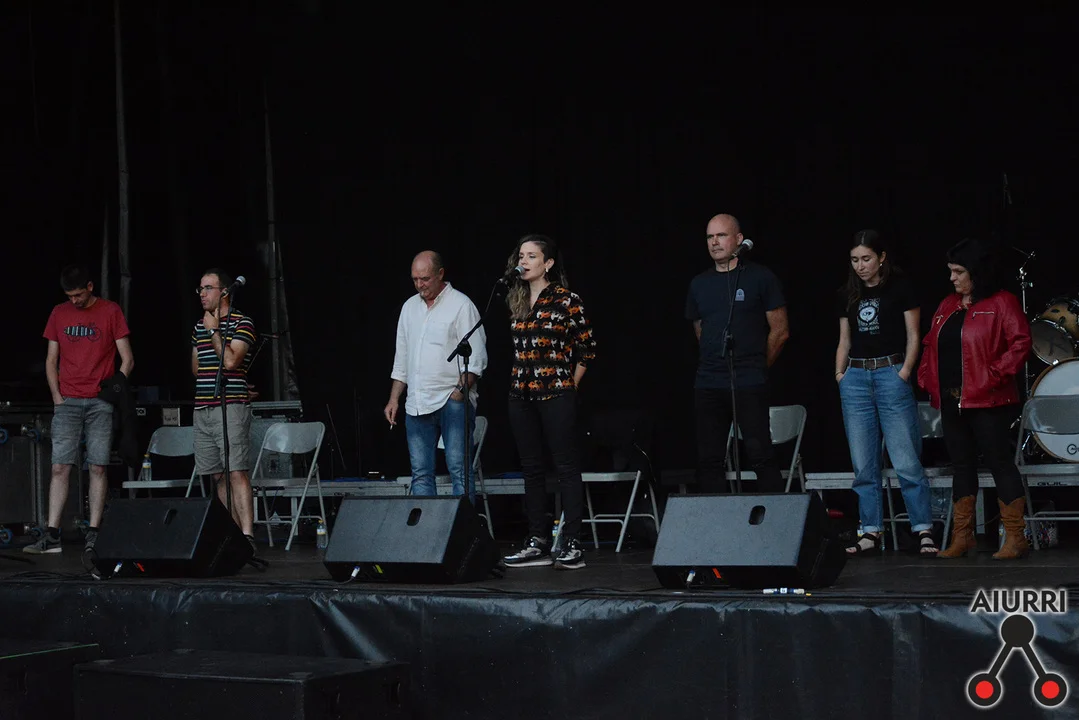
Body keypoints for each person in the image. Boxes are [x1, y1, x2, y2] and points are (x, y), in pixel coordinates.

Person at [918, 239, 1032, 560]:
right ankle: (963, 537)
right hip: (953, 400)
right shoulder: (947, 304)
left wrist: (994, 375)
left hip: (989, 400)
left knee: (999, 463)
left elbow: (1021, 343)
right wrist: (926, 377)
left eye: (958, 271)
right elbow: (930, 344)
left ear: (977, 272)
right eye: (950, 271)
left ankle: (1015, 537)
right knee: (961, 467)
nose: (952, 278)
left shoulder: (1002, 302)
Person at [835, 231, 937, 556]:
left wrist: (904, 371)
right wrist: (840, 375)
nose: (860, 266)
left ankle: (923, 528)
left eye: (866, 258)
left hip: (890, 371)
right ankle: (870, 530)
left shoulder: (900, 287)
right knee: (863, 462)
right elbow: (844, 339)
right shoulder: (848, 293)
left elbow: (913, 334)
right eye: (855, 260)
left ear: (881, 258)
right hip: (855, 376)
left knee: (905, 458)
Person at [25, 265, 134, 554]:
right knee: (60, 466)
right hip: (68, 401)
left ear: (90, 286)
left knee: (97, 466)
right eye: (69, 296)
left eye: (78, 295)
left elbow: (127, 359)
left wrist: (114, 390)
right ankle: (52, 535)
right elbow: (51, 359)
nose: (74, 300)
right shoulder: (59, 313)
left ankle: (94, 533)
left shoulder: (110, 311)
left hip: (99, 401)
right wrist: (56, 397)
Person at [502, 235, 596, 570]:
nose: (524, 262)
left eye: (532, 256)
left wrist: (571, 384)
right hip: (521, 394)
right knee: (531, 469)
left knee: (566, 466)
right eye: (521, 256)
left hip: (556, 392)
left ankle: (572, 543)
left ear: (548, 263)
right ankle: (537, 541)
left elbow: (587, 349)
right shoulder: (516, 299)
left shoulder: (566, 300)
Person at [686, 214, 789, 493]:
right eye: (710, 237)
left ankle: (772, 517)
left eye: (721, 235)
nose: (714, 242)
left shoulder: (760, 277)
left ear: (739, 239)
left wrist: (759, 366)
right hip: (709, 381)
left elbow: (780, 331)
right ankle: (718, 520)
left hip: (749, 379)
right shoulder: (699, 283)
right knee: (709, 459)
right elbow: (701, 330)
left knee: (760, 454)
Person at [384, 251, 488, 502]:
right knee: (420, 473)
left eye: (425, 279)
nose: (420, 285)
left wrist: (458, 394)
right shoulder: (409, 307)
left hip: (451, 401)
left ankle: (463, 526)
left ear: (441, 274)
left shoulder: (461, 305)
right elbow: (402, 358)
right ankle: (426, 527)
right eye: (415, 279)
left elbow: (476, 359)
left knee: (459, 471)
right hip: (417, 402)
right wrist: (394, 398)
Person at [191, 268, 258, 549]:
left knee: (236, 471)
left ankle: (248, 536)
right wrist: (208, 329)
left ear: (225, 292)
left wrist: (214, 331)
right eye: (200, 289)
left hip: (230, 405)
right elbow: (197, 369)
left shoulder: (243, 323)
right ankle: (232, 536)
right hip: (203, 406)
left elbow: (230, 362)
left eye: (208, 288)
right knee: (216, 474)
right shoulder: (199, 326)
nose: (202, 294)